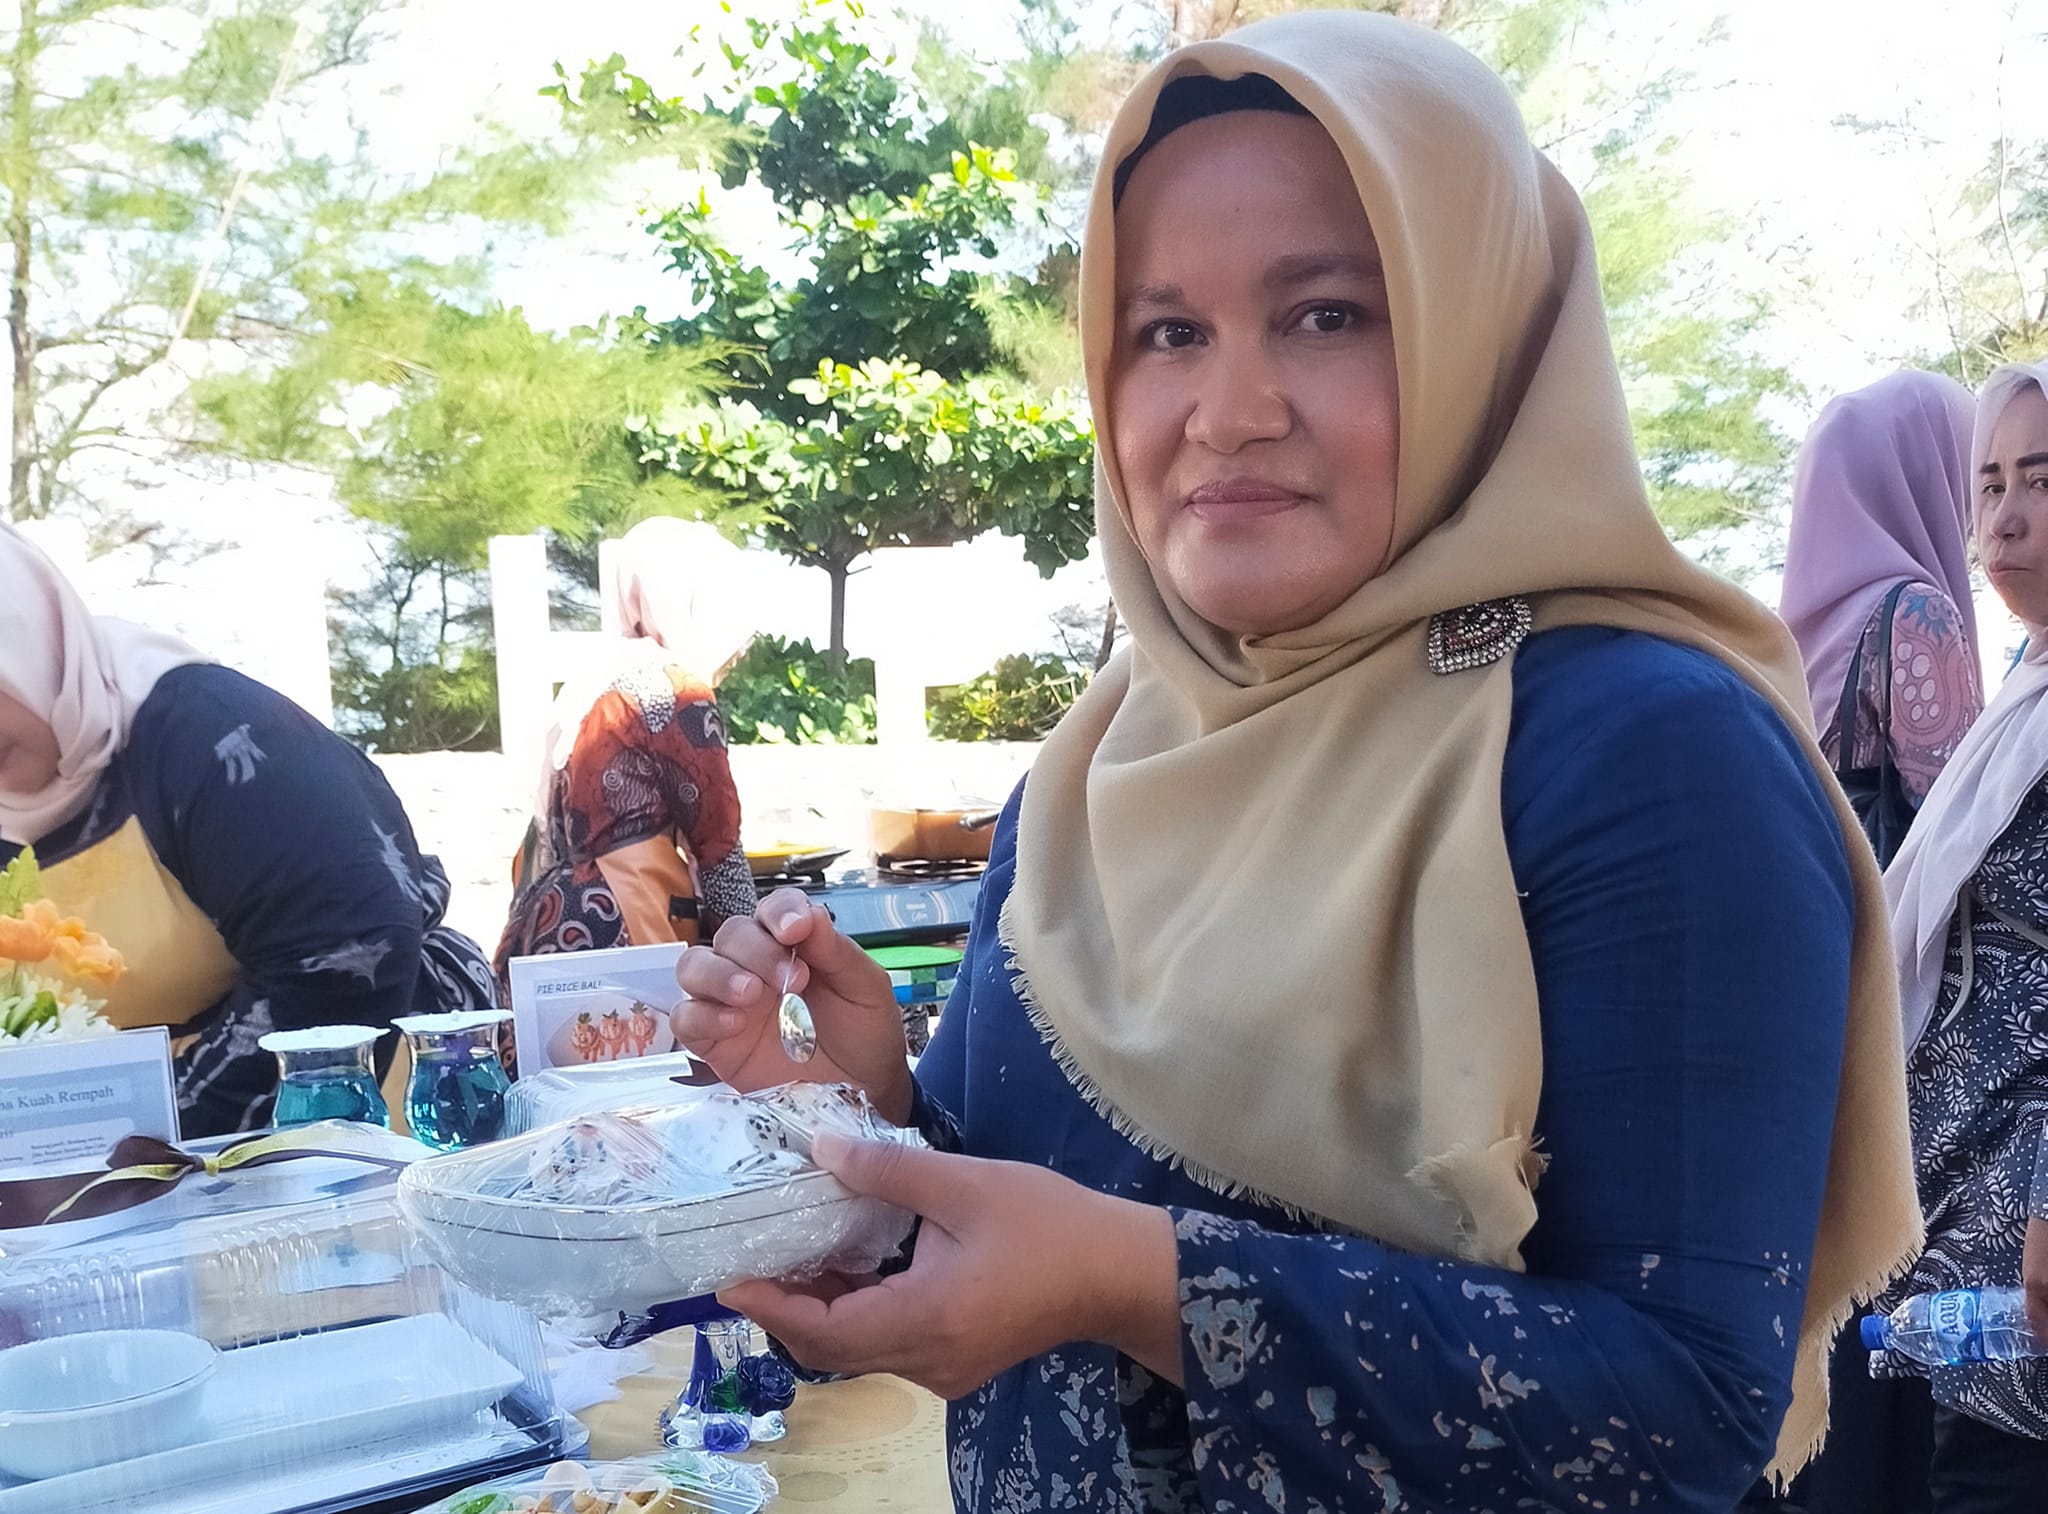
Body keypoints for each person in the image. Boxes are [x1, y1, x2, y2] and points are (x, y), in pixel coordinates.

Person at [672, 15, 1920, 1510]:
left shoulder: (1649, 754)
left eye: (1325, 314)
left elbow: (1686, 1405)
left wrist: (1140, 1281)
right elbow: (1022, 1224)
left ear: (1482, 334)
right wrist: (861, 1123)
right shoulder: (1102, 760)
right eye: (1167, 332)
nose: (1230, 411)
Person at [0, 523, 497, 1137]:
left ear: (28, 643)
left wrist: (145, 1137)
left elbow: (342, 954)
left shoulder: (213, 738)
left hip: (348, 1114)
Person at [1774, 370, 1983, 1514]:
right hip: (1901, 1008)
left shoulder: (1779, 638)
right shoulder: (1917, 616)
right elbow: (1968, 821)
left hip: (1806, 1001)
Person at [1879, 359, 2048, 1512]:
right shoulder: (2024, 685)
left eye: (2039, 479)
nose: (2004, 519)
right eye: (1986, 483)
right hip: (1973, 1249)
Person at [495, 517, 760, 989]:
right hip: (622, 931)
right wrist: (758, 958)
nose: (739, 650)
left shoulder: (588, 685)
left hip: (549, 928)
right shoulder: (673, 692)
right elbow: (718, 847)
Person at [1782, 370, 1983, 866]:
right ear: (1931, 474)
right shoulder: (1915, 611)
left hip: (1832, 895)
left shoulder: (1793, 628)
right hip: (1901, 905)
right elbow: (1963, 809)